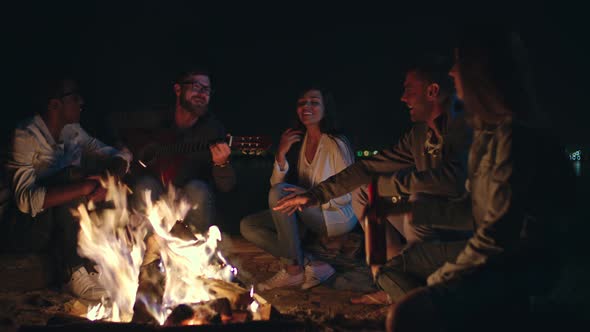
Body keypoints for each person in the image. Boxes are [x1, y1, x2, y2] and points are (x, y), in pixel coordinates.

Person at [384, 25, 578, 332]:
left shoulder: (518, 139)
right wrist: (403, 210)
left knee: (404, 316)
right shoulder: (489, 137)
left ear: (481, 72)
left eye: (458, 62)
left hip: (526, 266)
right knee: (399, 275)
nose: (450, 72)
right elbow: (472, 211)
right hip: (502, 256)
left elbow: (497, 238)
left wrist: (440, 281)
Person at [273, 57, 474, 304]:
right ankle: (389, 280)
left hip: (461, 226)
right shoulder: (419, 134)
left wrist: (391, 186)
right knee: (364, 190)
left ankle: (420, 288)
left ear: (432, 91)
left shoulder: (465, 126)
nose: (403, 98)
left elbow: (454, 179)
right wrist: (316, 194)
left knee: (417, 197)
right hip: (427, 220)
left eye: (409, 90)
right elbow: (368, 167)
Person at [4, 76, 132, 300]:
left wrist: (108, 178)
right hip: (22, 229)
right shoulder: (25, 135)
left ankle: (94, 262)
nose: (81, 101)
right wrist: (83, 186)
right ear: (55, 105)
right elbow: (25, 200)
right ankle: (71, 273)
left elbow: (118, 155)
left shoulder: (72, 131)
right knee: (72, 179)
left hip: (57, 224)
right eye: (74, 97)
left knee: (88, 181)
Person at [240, 87, 357, 291]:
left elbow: (349, 193)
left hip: (337, 215)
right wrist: (281, 154)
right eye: (302, 103)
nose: (306, 107)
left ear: (325, 109)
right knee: (248, 226)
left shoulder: (336, 144)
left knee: (280, 195)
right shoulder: (301, 142)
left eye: (314, 102)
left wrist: (310, 196)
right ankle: (309, 263)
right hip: (310, 210)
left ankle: (293, 272)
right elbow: (275, 187)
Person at [128, 67, 235, 234]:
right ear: (178, 89)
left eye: (206, 89)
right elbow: (121, 128)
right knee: (145, 186)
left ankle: (193, 249)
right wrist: (128, 151)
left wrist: (222, 164)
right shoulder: (157, 119)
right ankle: (147, 250)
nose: (202, 94)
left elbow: (226, 186)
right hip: (158, 194)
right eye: (196, 87)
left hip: (189, 199)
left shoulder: (213, 130)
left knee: (198, 189)